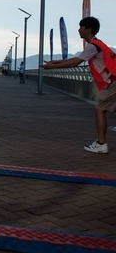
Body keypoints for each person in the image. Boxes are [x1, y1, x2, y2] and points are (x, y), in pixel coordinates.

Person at [42, 16, 116, 154]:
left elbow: (75, 63)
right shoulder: (96, 44)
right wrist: (56, 62)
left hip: (112, 82)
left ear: (88, 29)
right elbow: (77, 59)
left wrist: (52, 67)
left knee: (100, 110)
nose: (78, 30)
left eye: (81, 27)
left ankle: (101, 144)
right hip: (113, 80)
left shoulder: (93, 46)